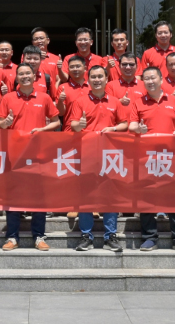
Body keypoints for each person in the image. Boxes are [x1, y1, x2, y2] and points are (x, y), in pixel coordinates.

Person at [0, 63, 61, 251]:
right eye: (21, 74)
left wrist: (42, 129)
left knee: (39, 197)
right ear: (16, 78)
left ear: (34, 77)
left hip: (38, 154)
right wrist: (6, 122)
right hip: (14, 155)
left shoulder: (44, 97)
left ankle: (39, 236)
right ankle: (12, 237)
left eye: (28, 73)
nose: (25, 76)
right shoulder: (8, 98)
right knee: (13, 196)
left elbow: (56, 122)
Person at [128, 66, 175, 252]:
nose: (150, 81)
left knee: (174, 197)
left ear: (161, 80)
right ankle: (149, 238)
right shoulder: (138, 102)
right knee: (147, 197)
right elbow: (132, 125)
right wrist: (139, 129)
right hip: (146, 157)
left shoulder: (173, 100)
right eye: (146, 79)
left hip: (170, 157)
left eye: (153, 78)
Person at [67, 66, 129, 252]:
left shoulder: (115, 101)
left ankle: (110, 236)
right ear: (88, 80)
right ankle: (86, 236)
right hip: (87, 154)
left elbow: (124, 123)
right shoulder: (80, 101)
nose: (96, 80)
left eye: (100, 76)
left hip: (110, 155)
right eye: (93, 77)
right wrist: (80, 125)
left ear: (106, 78)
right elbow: (73, 125)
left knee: (110, 196)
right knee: (86, 196)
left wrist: (113, 129)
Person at [56, 55, 89, 129]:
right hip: (69, 130)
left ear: (85, 68)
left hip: (90, 130)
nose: (75, 69)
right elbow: (60, 113)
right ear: (68, 70)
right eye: (72, 67)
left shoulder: (92, 87)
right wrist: (60, 101)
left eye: (78, 66)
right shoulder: (63, 87)